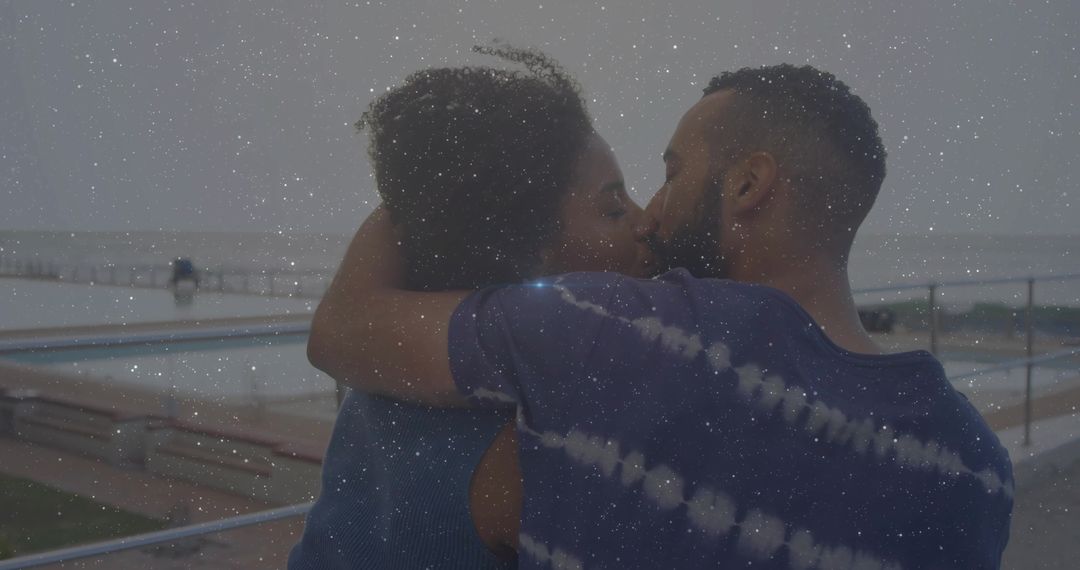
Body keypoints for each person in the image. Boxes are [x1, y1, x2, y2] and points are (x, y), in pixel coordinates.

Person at [308, 64, 1014, 569]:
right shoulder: (974, 468)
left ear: (747, 184)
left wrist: (432, 190)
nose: (650, 213)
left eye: (673, 172)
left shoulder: (619, 337)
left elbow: (344, 330)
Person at [289, 45, 656, 569]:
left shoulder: (389, 369)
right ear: (524, 244)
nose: (646, 223)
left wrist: (439, 193)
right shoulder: (528, 446)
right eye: (613, 208)